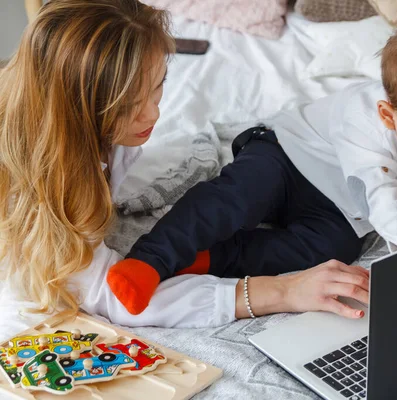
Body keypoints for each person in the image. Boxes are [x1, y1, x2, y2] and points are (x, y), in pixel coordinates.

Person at [0, 0, 370, 338]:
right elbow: (114, 296)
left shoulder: (70, 120)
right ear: (75, 107)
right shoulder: (42, 187)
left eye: (158, 86)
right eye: (128, 104)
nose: (153, 114)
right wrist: (285, 291)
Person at [108, 19, 397, 315]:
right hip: (289, 157)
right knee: (241, 197)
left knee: (333, 249)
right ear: (389, 116)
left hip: (340, 206)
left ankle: (209, 258)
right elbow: (385, 201)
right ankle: (152, 258)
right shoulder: (363, 123)